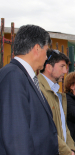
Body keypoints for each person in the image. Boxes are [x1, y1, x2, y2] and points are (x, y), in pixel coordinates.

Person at [0, 25, 59, 155]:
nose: (46, 57)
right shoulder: (13, 76)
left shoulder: (23, 76)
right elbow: (16, 138)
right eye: (46, 50)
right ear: (37, 48)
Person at [37, 49, 75, 155]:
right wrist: (67, 151)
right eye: (62, 66)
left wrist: (71, 148)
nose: (65, 71)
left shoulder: (56, 92)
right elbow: (45, 129)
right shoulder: (38, 90)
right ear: (49, 67)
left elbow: (63, 125)